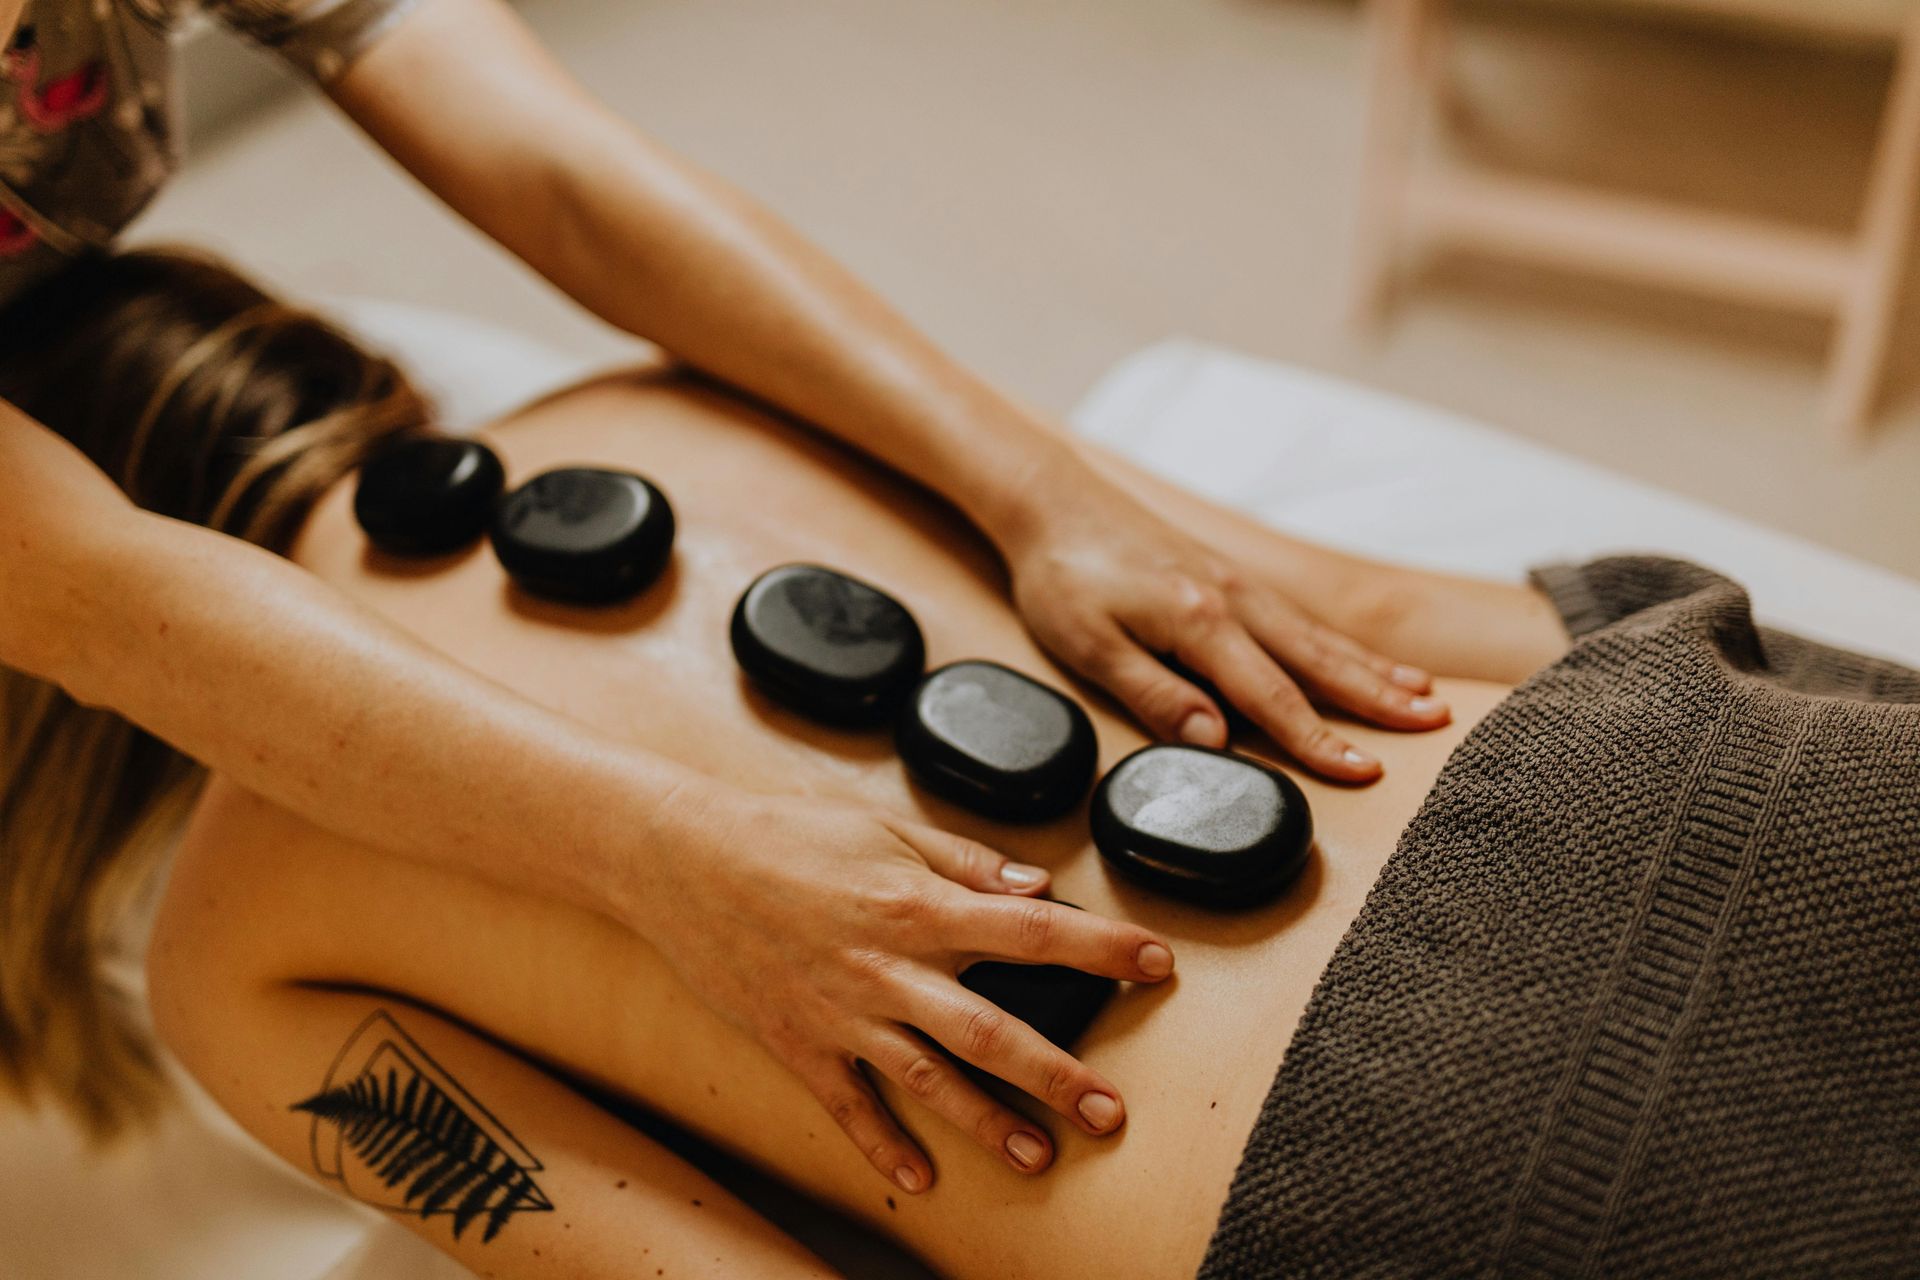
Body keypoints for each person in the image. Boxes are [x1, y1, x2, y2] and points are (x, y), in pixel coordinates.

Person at [23, 251, 1920, 1278]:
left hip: (1421, 1176)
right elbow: (1346, 602)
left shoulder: (236, 949)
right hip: (1704, 778)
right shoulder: (676, 391)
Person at [0, 0, 1454, 1174]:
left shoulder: (228, 967)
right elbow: (99, 597)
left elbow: (560, 174)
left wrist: (1046, 497)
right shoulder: (231, 957)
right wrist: (674, 859)